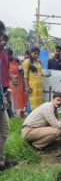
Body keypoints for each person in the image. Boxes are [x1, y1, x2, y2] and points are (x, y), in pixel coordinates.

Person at [0, 20, 17, 171]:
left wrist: (3, 97)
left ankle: (1, 162)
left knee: (4, 131)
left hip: (2, 93)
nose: (2, 40)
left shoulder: (3, 55)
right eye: (1, 36)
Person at [23, 47, 43, 111]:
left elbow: (38, 73)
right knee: (32, 103)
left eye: (38, 54)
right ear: (31, 53)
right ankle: (30, 117)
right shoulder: (26, 62)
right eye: (35, 54)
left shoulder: (39, 62)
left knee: (38, 103)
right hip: (32, 87)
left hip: (39, 87)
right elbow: (25, 76)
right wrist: (26, 87)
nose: (37, 55)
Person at [7, 48, 26, 117]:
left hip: (18, 83)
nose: (10, 57)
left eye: (11, 55)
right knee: (11, 98)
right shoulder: (5, 62)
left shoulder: (15, 61)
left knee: (18, 98)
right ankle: (12, 113)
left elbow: (19, 70)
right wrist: (11, 78)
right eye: (8, 55)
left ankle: (18, 113)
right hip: (10, 83)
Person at [0, 34, 13, 117]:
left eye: (6, 41)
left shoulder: (5, 53)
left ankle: (11, 117)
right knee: (3, 102)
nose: (4, 42)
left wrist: (11, 79)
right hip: (0, 83)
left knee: (8, 101)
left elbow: (7, 68)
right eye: (3, 39)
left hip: (6, 83)